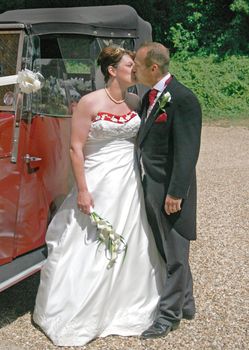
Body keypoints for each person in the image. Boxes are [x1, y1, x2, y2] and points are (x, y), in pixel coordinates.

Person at [32, 46, 165, 347]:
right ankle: (80, 308)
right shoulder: (89, 102)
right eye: (130, 65)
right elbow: (75, 148)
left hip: (129, 184)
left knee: (133, 237)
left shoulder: (135, 101)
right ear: (112, 70)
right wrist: (81, 189)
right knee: (89, 242)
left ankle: (125, 303)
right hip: (97, 181)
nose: (135, 70)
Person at [133, 42, 202, 339]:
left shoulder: (183, 99)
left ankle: (168, 316)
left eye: (137, 63)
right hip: (153, 185)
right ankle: (186, 304)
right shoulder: (151, 97)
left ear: (153, 68)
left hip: (171, 192)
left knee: (175, 254)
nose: (133, 68)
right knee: (167, 250)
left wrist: (176, 193)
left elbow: (188, 153)